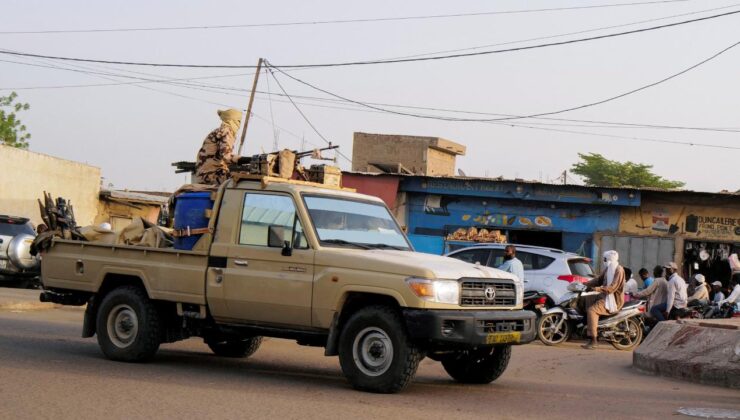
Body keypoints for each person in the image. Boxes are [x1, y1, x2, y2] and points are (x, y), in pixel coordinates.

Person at [581, 250, 625, 350]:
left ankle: (594, 340)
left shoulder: (619, 270)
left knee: (592, 310)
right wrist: (586, 284)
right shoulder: (608, 269)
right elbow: (598, 280)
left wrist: (596, 289)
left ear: (609, 259)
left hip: (613, 299)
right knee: (586, 300)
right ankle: (590, 327)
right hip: (604, 295)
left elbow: (612, 288)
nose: (603, 261)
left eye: (605, 259)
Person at [195, 109, 242, 185]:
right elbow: (226, 156)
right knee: (244, 175)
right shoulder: (226, 131)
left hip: (205, 175)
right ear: (231, 120)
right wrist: (245, 159)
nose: (239, 124)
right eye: (238, 121)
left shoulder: (220, 130)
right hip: (212, 176)